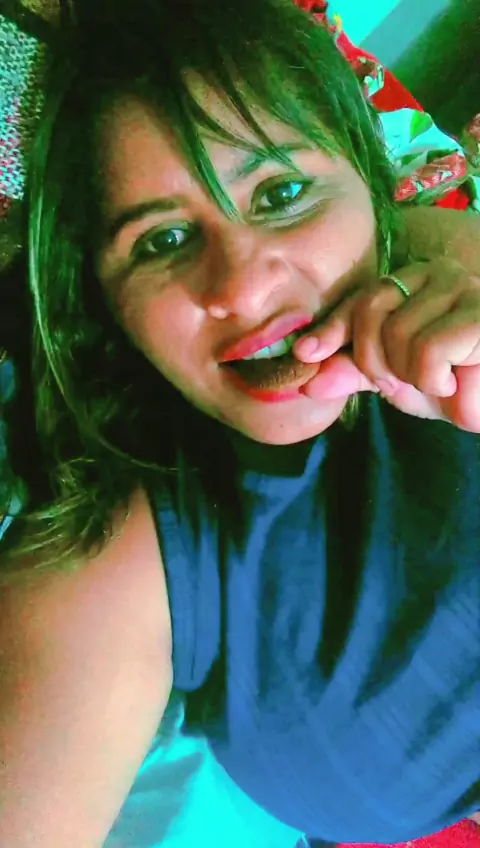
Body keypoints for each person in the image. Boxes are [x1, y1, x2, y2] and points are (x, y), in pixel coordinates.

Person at [0, 0, 479, 845]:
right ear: (102, 304)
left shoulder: (456, 288)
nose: (243, 288)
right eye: (161, 242)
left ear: (372, 186)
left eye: (281, 194)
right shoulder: (120, 557)